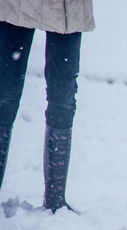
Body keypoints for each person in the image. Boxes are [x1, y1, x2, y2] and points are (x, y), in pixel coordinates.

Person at [0, 1, 95, 213]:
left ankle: (56, 200)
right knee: (4, 97)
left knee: (63, 100)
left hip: (69, 9)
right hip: (17, 6)